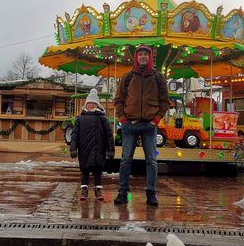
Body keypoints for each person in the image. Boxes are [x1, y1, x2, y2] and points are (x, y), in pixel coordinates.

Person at [113, 44, 169, 207]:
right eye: (140, 55)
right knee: (125, 160)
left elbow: (164, 102)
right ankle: (123, 192)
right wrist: (123, 120)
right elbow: (118, 100)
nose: (143, 57)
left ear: (150, 57)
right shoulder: (128, 77)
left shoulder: (158, 78)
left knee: (151, 161)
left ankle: (151, 193)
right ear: (136, 58)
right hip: (130, 125)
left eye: (146, 54)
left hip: (149, 126)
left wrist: (156, 120)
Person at [69, 88, 114, 201]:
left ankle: (98, 190)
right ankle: (84, 190)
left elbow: (109, 135)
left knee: (98, 170)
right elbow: (74, 135)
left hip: (99, 149)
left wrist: (110, 150)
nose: (91, 105)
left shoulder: (103, 119)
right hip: (85, 150)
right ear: (86, 104)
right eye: (89, 103)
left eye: (94, 103)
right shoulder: (80, 119)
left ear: (98, 105)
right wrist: (73, 149)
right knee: (85, 170)